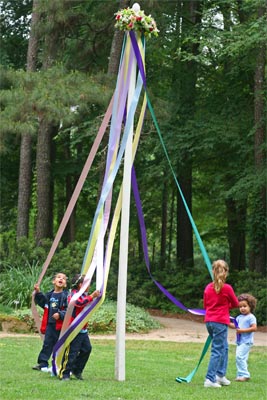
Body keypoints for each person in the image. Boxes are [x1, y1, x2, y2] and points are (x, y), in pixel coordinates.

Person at [203, 259, 239, 388]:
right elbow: (235, 304)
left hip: (210, 321)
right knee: (217, 350)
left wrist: (221, 305)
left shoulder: (208, 287)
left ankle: (220, 375)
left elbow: (206, 305)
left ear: (213, 271)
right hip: (219, 322)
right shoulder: (227, 288)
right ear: (226, 272)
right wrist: (225, 305)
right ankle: (209, 379)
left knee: (224, 347)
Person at [59, 274, 101, 381]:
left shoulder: (84, 294)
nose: (89, 286)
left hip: (82, 329)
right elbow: (79, 302)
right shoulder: (73, 294)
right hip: (74, 328)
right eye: (87, 283)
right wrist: (92, 296)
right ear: (81, 284)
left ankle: (77, 370)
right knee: (72, 352)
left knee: (87, 349)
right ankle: (65, 373)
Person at [32, 272, 68, 371]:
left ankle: (58, 364)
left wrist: (60, 314)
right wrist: (38, 292)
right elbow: (43, 303)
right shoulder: (50, 295)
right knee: (47, 344)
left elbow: (68, 310)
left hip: (60, 326)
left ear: (65, 284)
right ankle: (43, 363)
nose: (61, 279)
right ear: (53, 281)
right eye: (59, 277)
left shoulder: (65, 296)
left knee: (60, 345)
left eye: (63, 278)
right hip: (50, 325)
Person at [230, 293, 257, 382]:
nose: (242, 308)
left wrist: (242, 331)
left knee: (239, 357)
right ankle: (240, 375)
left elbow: (254, 328)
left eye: (244, 306)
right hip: (240, 341)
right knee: (242, 358)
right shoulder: (239, 317)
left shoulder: (251, 317)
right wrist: (225, 322)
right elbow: (235, 326)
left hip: (246, 341)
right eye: (240, 306)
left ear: (250, 306)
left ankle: (245, 374)